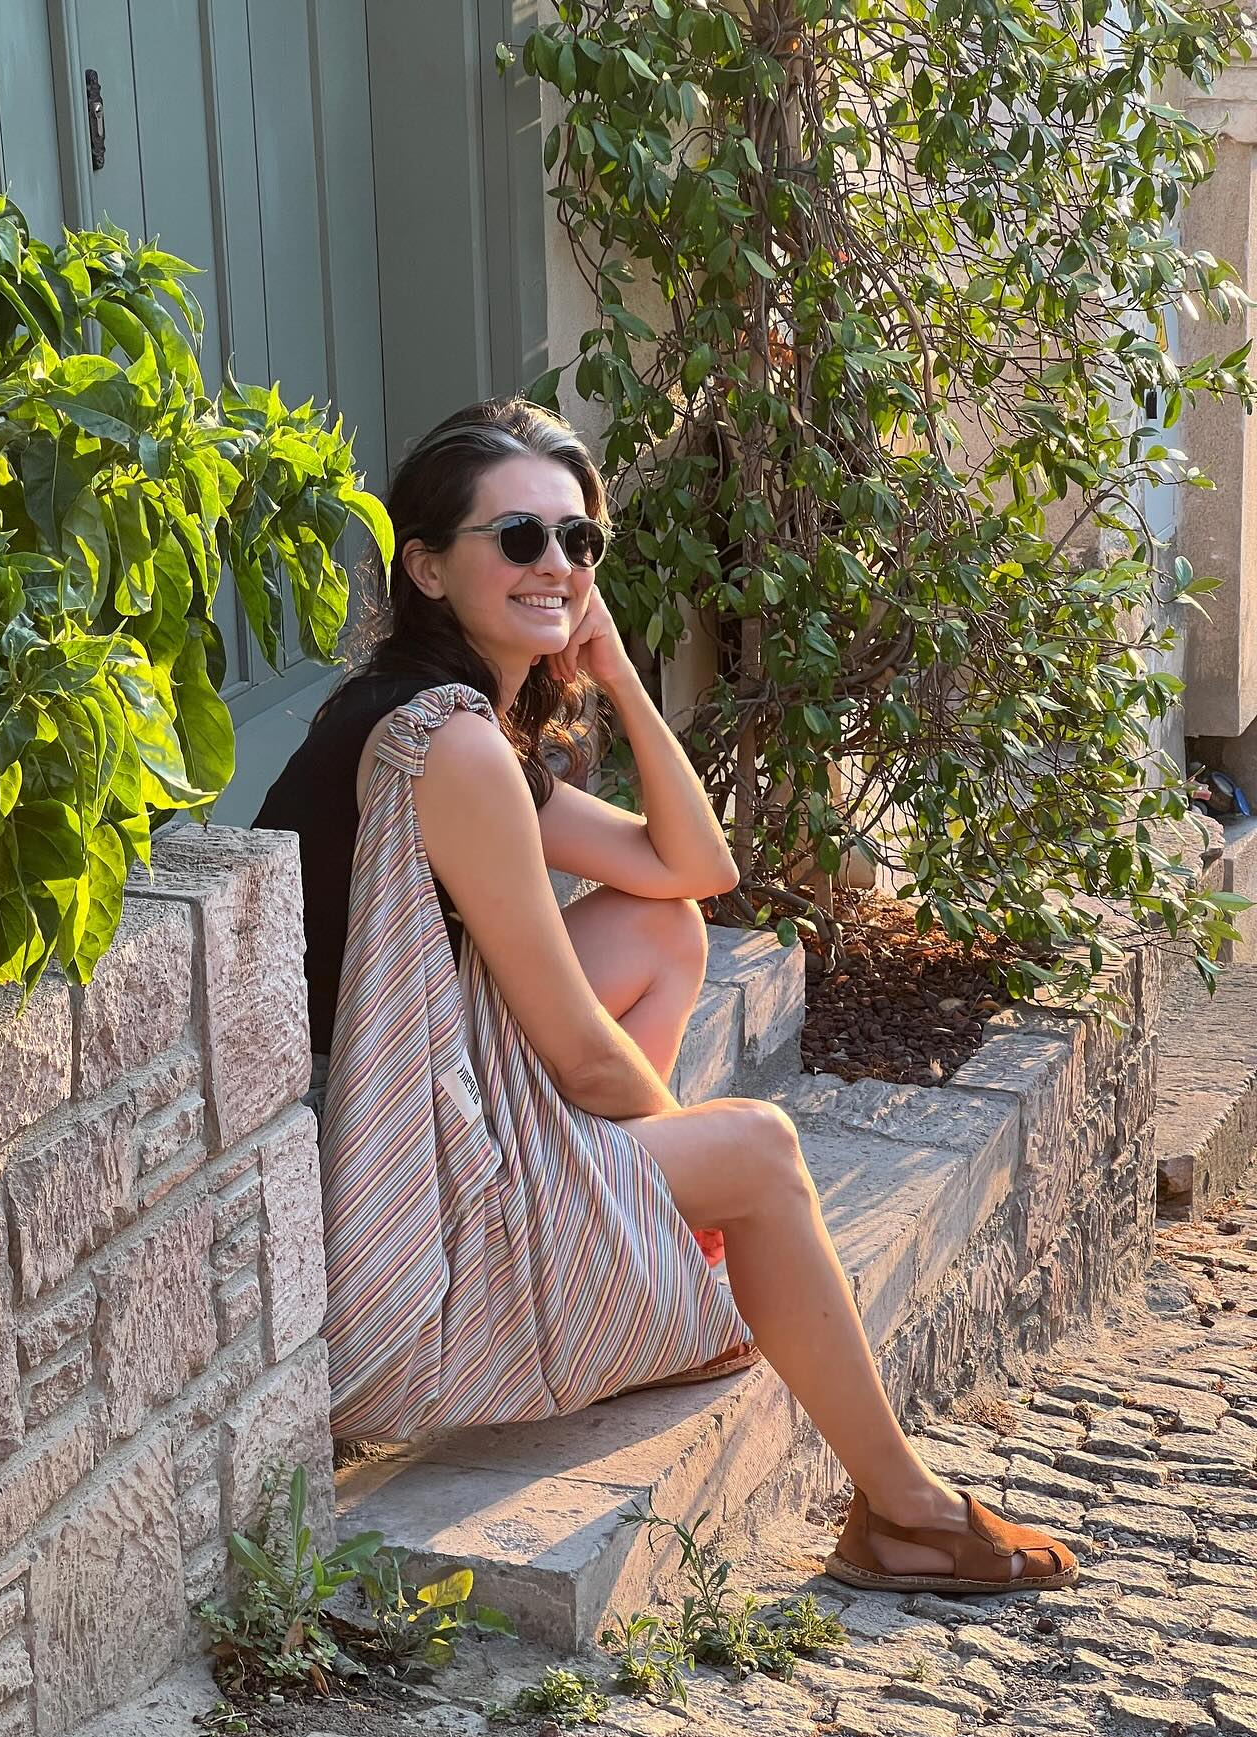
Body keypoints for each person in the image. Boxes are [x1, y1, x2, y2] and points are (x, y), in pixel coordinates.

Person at [256, 396, 1077, 1596]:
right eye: (518, 538)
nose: (556, 564)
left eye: (577, 539)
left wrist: (620, 681)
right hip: (384, 1172)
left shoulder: (449, 722)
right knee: (761, 1151)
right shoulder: (452, 746)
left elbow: (693, 866)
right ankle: (903, 1514)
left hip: (414, 1099)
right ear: (426, 568)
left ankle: (641, 1267)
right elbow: (583, 1059)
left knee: (661, 927)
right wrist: (695, 1173)